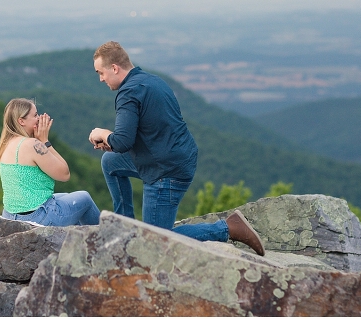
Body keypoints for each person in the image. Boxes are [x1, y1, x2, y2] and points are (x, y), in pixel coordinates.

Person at [89, 41, 265, 255]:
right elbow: (149, 131)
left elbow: (123, 142)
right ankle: (124, 227)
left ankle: (227, 228)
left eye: (101, 73)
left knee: (155, 242)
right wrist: (113, 141)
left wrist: (103, 133)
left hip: (166, 172)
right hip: (174, 157)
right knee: (110, 162)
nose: (101, 79)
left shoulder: (128, 94)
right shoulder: (151, 81)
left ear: (114, 68)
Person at [0, 98, 100, 226]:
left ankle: (75, 240)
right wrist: (45, 141)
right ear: (21, 121)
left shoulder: (5, 144)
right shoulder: (32, 144)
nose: (39, 118)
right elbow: (64, 174)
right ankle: (104, 242)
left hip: (11, 216)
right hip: (37, 218)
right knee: (85, 198)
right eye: (35, 115)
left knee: (66, 197)